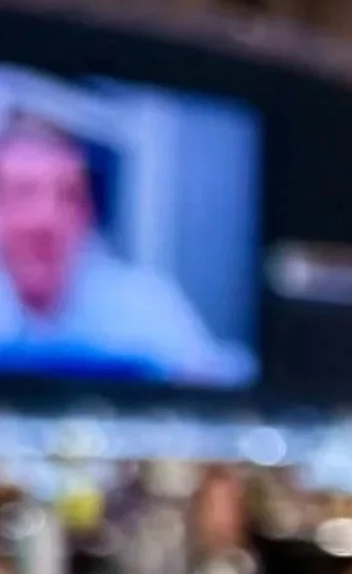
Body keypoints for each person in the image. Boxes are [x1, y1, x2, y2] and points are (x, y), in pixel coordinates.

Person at [0, 113, 242, 385]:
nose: (46, 218)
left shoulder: (148, 303)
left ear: (87, 214)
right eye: (23, 193)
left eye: (68, 195)